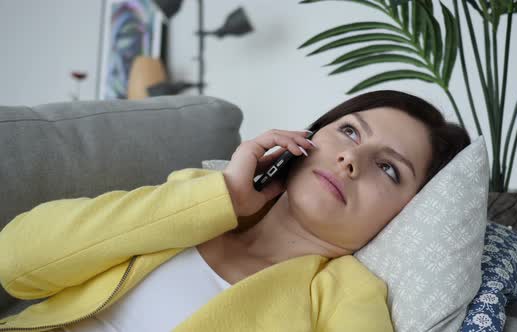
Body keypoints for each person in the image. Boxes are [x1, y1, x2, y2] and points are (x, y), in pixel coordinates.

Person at [0, 90, 470, 331]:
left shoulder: (348, 295)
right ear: (308, 137)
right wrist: (221, 196)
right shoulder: (193, 200)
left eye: (389, 169)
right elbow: (16, 262)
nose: (352, 159)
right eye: (349, 131)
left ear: (409, 212)